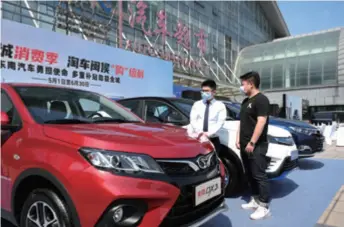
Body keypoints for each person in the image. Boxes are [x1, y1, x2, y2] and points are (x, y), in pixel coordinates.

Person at [236, 71, 271, 220]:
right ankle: (255, 199)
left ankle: (263, 206)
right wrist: (238, 138)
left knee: (259, 175)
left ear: (251, 84)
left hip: (256, 145)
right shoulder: (245, 101)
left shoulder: (261, 100)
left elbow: (261, 122)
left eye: (243, 84)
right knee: (249, 174)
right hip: (244, 145)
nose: (241, 87)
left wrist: (252, 142)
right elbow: (242, 122)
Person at [189, 79, 227, 155]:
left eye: (207, 91)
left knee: (212, 162)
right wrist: (200, 133)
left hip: (213, 139)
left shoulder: (220, 106)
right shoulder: (197, 104)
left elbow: (220, 122)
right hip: (198, 137)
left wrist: (208, 134)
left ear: (214, 92)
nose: (204, 93)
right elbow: (193, 120)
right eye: (202, 91)